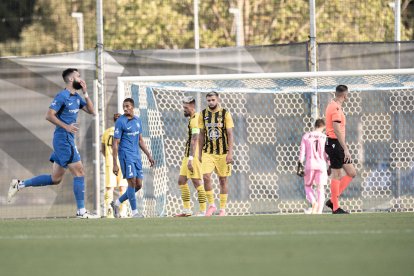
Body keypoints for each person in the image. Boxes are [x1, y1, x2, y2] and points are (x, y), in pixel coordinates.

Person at [7, 68, 99, 218]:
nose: (81, 79)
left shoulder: (76, 97)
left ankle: (19, 184)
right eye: (78, 76)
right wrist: (66, 126)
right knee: (80, 171)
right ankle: (81, 211)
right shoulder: (62, 96)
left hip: (66, 140)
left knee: (55, 179)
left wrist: (86, 93)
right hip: (63, 139)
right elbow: (49, 115)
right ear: (71, 80)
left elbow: (92, 111)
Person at [111, 98, 155, 218]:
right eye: (123, 106)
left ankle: (117, 203)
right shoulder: (120, 122)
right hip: (125, 156)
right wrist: (115, 163)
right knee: (132, 182)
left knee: (138, 185)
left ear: (132, 107)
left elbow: (140, 140)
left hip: (136, 156)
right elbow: (115, 143)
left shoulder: (138, 121)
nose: (125, 108)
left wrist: (148, 155)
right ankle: (135, 213)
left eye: (127, 106)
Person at [198, 91, 234, 217]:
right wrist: (199, 153)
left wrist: (230, 153)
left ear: (218, 99)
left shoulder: (225, 114)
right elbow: (201, 134)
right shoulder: (203, 114)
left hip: (223, 153)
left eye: (213, 100)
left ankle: (223, 209)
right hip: (208, 152)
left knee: (223, 180)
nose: (211, 102)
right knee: (206, 177)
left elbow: (230, 134)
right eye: (208, 100)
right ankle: (212, 205)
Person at [324, 85, 357, 214]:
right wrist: (345, 148)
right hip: (334, 143)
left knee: (352, 172)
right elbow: (336, 129)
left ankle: (332, 200)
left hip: (335, 144)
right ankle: (335, 207)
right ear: (345, 95)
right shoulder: (336, 108)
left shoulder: (333, 105)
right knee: (337, 174)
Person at [175, 97, 207, 217]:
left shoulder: (195, 119)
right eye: (183, 107)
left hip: (193, 155)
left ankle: (203, 210)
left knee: (197, 182)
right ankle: (187, 210)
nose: (184, 110)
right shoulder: (193, 119)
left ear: (192, 106)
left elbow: (195, 138)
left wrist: (191, 158)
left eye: (186, 108)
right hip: (188, 154)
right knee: (181, 181)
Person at [298, 119, 329, 214]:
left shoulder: (306, 136)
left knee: (307, 186)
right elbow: (327, 153)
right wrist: (330, 165)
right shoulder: (325, 137)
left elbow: (302, 152)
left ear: (314, 126)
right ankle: (319, 212)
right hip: (321, 164)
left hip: (310, 164)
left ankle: (313, 202)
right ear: (323, 127)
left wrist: (299, 164)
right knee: (321, 188)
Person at [101, 113, 129, 218]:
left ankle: (109, 212)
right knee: (123, 187)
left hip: (110, 163)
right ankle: (123, 211)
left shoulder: (106, 132)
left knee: (110, 188)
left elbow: (102, 149)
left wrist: (109, 157)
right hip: (122, 162)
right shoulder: (125, 131)